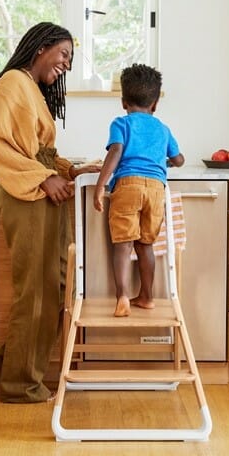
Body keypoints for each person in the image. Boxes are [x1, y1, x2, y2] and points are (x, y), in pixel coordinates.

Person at [0, 22, 101, 403]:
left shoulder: (29, 88)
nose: (66, 64)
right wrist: (44, 177)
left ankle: (10, 371)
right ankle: (19, 385)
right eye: (63, 54)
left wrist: (69, 171)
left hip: (42, 192)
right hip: (28, 195)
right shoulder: (14, 83)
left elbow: (38, 151)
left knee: (52, 288)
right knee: (36, 291)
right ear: (41, 47)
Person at [93, 63, 184, 318]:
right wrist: (162, 161)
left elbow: (115, 152)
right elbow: (178, 160)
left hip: (127, 185)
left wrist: (100, 186)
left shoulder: (121, 123)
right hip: (155, 189)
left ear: (123, 102)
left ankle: (122, 296)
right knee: (146, 245)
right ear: (155, 104)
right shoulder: (163, 129)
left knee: (123, 244)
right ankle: (147, 296)